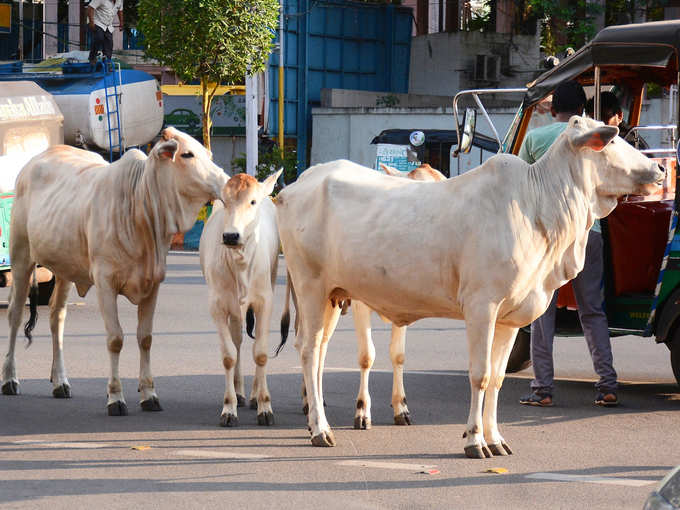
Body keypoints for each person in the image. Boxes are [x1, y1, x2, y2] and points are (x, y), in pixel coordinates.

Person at [518, 80, 619, 408]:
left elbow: (520, 184)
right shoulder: (594, 137)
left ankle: (542, 389)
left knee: (542, 311)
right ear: (582, 110)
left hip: (547, 236)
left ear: (552, 108)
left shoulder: (535, 138)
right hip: (590, 232)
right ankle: (607, 385)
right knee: (591, 310)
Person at [88, 0, 124, 68]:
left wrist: (121, 23)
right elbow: (90, 8)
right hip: (97, 21)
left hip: (108, 25)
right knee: (99, 37)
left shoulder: (119, 1)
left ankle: (107, 61)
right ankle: (92, 58)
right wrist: (91, 22)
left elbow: (120, 10)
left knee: (109, 42)